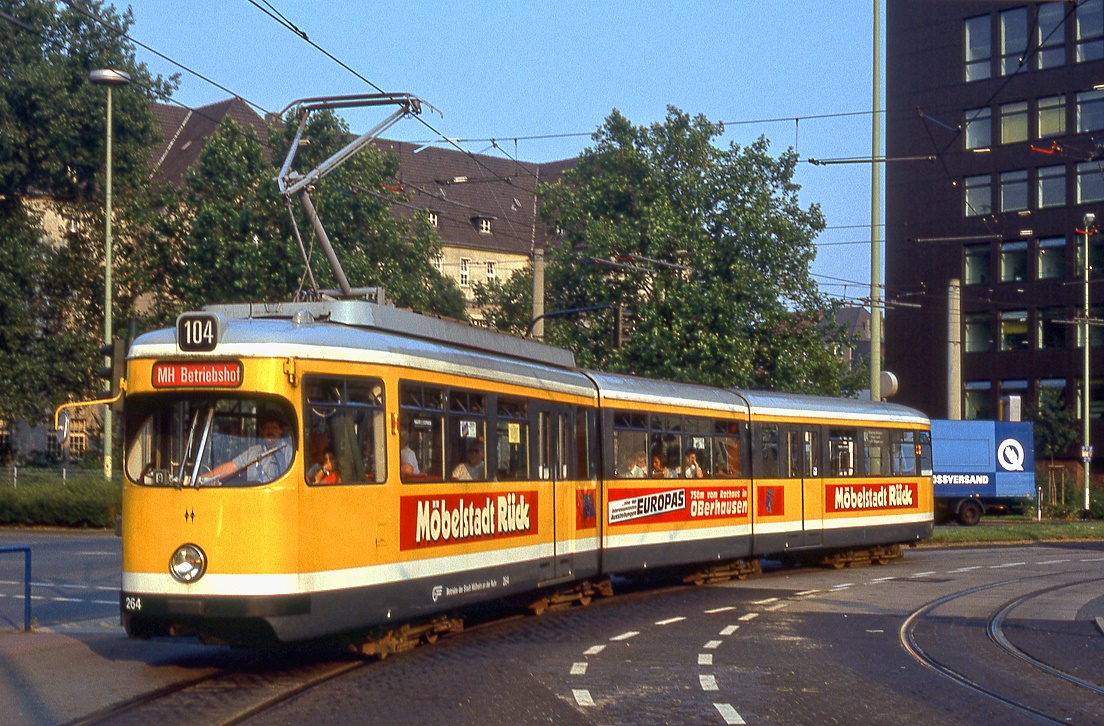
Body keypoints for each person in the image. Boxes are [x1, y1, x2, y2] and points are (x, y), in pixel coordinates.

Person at [203, 416, 291, 485]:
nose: (270, 431)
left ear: (281, 431)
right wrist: (202, 479)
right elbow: (231, 467)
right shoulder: (253, 452)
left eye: (274, 428)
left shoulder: (290, 453)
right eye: (266, 428)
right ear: (262, 431)